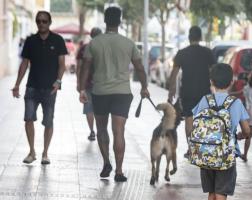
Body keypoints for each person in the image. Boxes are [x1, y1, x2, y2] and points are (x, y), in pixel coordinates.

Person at [78, 6, 150, 182]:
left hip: (100, 92)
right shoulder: (128, 43)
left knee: (101, 129)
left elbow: (85, 68)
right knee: (119, 132)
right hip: (122, 93)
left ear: (105, 21)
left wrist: (81, 89)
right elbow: (140, 67)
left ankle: (106, 163)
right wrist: (144, 87)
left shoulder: (94, 43)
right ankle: (119, 171)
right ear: (120, 21)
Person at [191, 63, 250, 200]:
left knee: (211, 192)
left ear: (211, 82)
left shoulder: (204, 100)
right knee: (221, 193)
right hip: (226, 156)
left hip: (205, 154)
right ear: (231, 82)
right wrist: (240, 135)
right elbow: (247, 130)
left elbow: (195, 121)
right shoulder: (236, 103)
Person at [12, 11, 67, 165]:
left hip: (50, 89)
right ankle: (32, 152)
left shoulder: (58, 40)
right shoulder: (30, 40)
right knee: (28, 119)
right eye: (38, 21)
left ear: (50, 22)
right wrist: (17, 84)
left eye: (44, 21)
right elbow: (24, 64)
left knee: (48, 121)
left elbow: (62, 65)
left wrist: (58, 81)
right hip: (32, 87)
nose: (41, 24)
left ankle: (45, 153)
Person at [168, 26, 215, 158]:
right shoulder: (207, 52)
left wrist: (171, 91)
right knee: (203, 121)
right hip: (204, 91)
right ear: (200, 38)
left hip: (187, 92)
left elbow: (174, 73)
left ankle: (191, 149)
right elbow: (214, 72)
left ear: (189, 37)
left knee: (189, 119)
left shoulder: (182, 53)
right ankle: (200, 148)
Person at [76, 27, 102, 141]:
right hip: (102, 83)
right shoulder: (104, 48)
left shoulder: (84, 48)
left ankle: (92, 131)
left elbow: (80, 66)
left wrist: (79, 83)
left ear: (91, 35)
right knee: (100, 109)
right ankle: (101, 131)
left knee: (89, 108)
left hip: (87, 83)